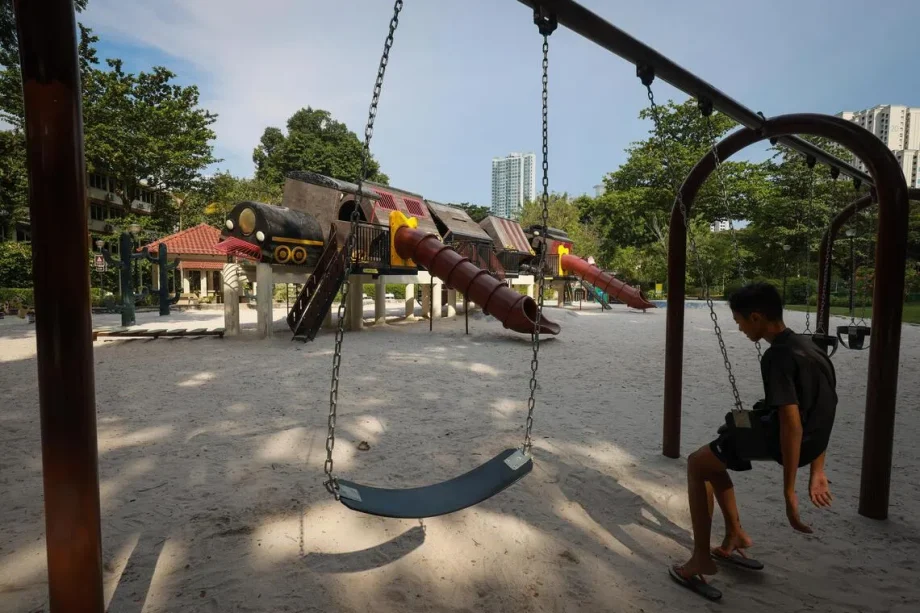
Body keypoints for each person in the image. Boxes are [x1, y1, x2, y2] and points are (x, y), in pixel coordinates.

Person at [670, 282, 837, 597]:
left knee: (696, 463)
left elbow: (791, 424)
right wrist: (818, 469)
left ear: (757, 317)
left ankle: (700, 559)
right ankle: (735, 534)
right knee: (726, 436)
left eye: (740, 321)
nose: (740, 328)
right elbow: (824, 407)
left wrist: (789, 491)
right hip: (813, 440)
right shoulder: (811, 346)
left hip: (788, 441)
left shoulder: (777, 357)